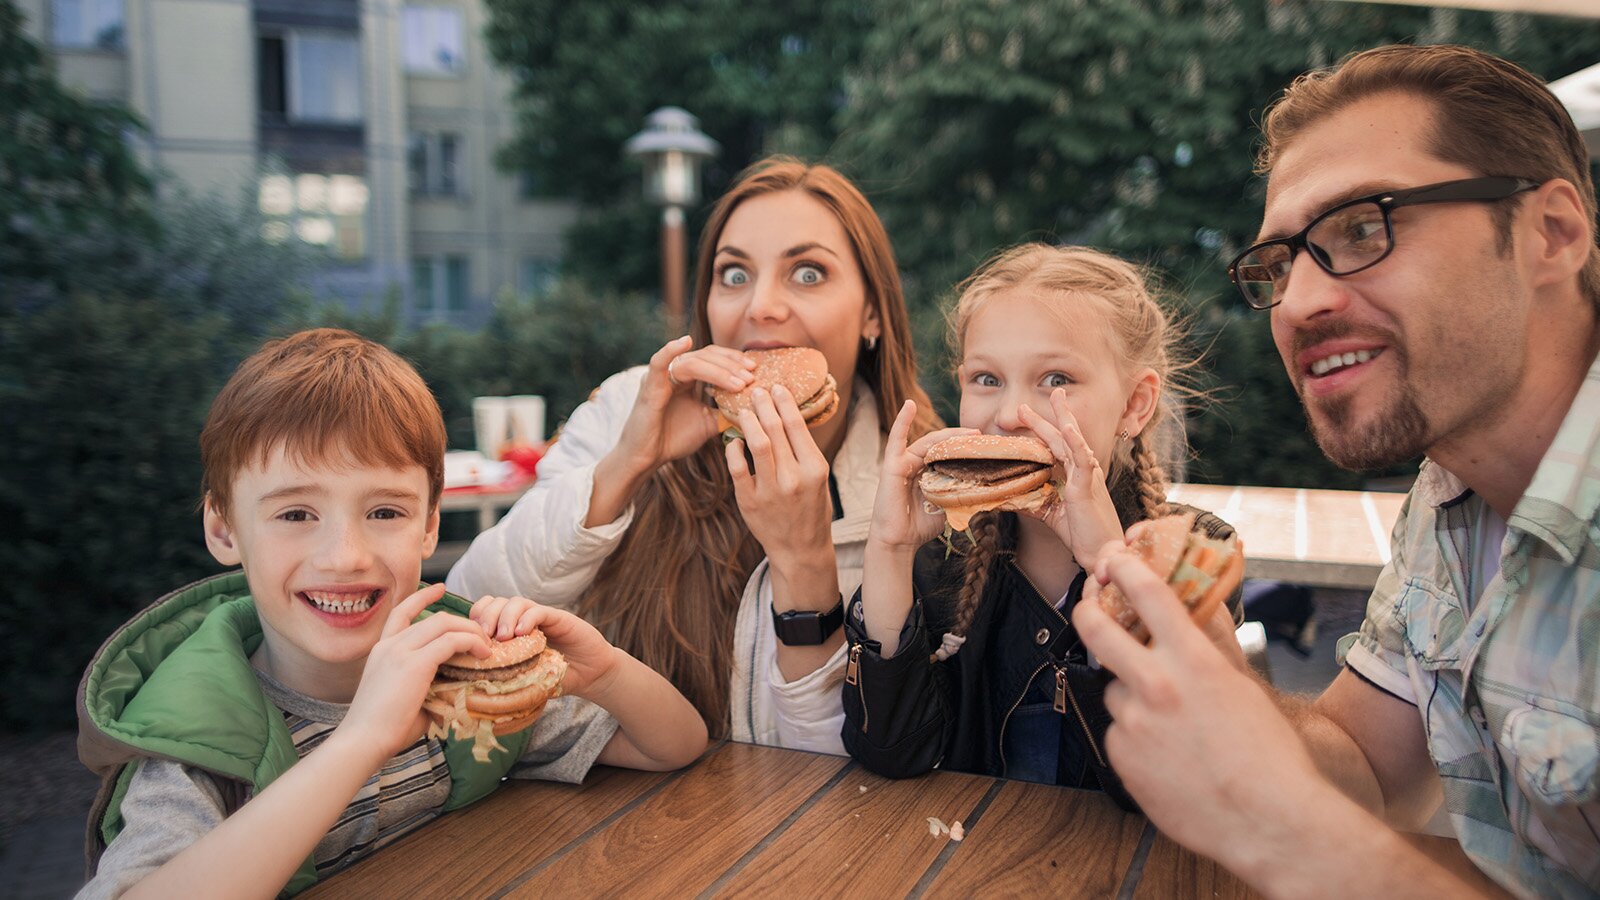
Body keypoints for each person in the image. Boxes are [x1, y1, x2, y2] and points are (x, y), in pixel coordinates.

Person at [1072, 44, 1600, 898]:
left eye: (1362, 228)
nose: (1300, 302)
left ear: (1552, 234)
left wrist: (1302, 842)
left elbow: (1325, 824)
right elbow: (1368, 771)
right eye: (1280, 264)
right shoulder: (1449, 497)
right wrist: (1215, 675)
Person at [77, 329, 708, 898]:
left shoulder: (460, 683)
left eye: (385, 512)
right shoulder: (195, 741)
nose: (345, 556)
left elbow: (673, 746)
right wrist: (362, 739)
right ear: (224, 530)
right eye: (295, 514)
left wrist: (604, 673)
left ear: (429, 526)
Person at [447, 158, 938, 752]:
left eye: (807, 273)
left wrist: (803, 562)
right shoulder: (628, 408)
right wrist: (625, 466)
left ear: (872, 314)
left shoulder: (922, 493)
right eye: (734, 274)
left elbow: (855, 761)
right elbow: (465, 612)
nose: (760, 305)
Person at [841, 244, 1242, 801]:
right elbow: (891, 751)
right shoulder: (939, 558)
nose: (1008, 415)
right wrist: (889, 548)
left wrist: (1109, 562)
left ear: (1135, 404)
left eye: (1055, 379)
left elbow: (1191, 781)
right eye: (986, 379)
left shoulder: (1195, 552)